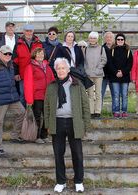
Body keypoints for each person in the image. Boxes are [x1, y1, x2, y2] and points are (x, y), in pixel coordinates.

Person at [44, 58, 90, 193]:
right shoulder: (52, 85)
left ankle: (79, 181)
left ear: (68, 70)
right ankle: (61, 181)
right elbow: (46, 106)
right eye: (58, 68)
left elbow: (85, 105)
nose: (61, 70)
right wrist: (47, 123)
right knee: (58, 154)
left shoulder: (77, 84)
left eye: (63, 68)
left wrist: (86, 124)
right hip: (57, 122)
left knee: (77, 154)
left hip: (74, 122)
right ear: (56, 70)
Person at [24, 48, 55, 143]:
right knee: (37, 117)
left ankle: (44, 135)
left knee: (47, 116)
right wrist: (29, 99)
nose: (41, 55)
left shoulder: (47, 67)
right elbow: (28, 83)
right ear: (34, 55)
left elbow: (52, 80)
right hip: (37, 96)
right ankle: (37, 136)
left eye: (42, 53)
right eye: (38, 54)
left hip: (47, 96)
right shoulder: (30, 67)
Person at [13, 24, 43, 107]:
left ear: (33, 32)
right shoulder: (18, 44)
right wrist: (16, 73)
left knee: (35, 94)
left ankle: (34, 113)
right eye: (27, 31)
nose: (28, 33)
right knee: (23, 94)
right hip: (23, 74)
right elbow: (15, 60)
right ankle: (23, 114)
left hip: (36, 74)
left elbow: (43, 58)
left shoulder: (39, 43)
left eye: (30, 31)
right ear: (23, 32)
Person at [108, 33, 133, 118]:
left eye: (122, 39)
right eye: (118, 39)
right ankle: (116, 110)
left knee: (124, 95)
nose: (120, 41)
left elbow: (130, 64)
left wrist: (122, 72)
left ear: (124, 41)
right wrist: (116, 72)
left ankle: (124, 111)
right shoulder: (111, 50)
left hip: (125, 77)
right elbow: (109, 63)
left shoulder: (128, 51)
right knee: (116, 94)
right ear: (116, 40)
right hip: (114, 76)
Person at [84, 31, 107, 118]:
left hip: (98, 74)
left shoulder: (101, 48)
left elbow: (104, 60)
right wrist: (87, 70)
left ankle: (97, 111)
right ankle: (91, 111)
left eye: (94, 38)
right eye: (91, 38)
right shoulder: (86, 48)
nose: (92, 39)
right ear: (89, 39)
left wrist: (98, 69)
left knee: (98, 93)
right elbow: (84, 61)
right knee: (90, 94)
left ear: (97, 39)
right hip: (89, 74)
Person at [101, 31, 114, 103]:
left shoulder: (116, 48)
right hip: (103, 75)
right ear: (104, 39)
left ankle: (115, 111)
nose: (109, 38)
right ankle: (98, 111)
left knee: (114, 94)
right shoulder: (101, 48)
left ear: (113, 39)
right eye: (107, 37)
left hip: (113, 75)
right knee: (100, 93)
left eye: (110, 37)